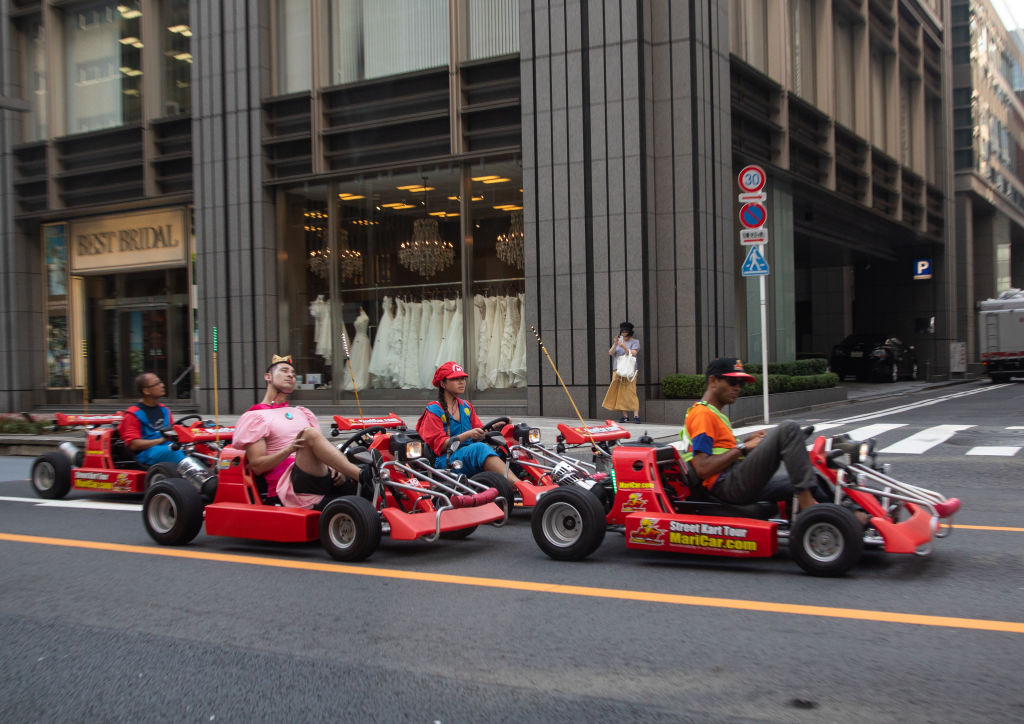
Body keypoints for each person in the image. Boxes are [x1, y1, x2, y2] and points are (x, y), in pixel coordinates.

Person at [681, 357, 818, 510]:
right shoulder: (703, 414)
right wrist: (743, 447)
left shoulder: (713, 413)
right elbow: (703, 468)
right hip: (726, 484)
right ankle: (810, 509)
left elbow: (720, 451)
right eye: (732, 382)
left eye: (741, 384)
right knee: (789, 429)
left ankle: (840, 511)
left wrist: (748, 442)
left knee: (811, 477)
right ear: (713, 381)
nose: (737, 388)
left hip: (732, 476)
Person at [231, 355, 368, 509]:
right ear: (268, 377)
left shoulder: (302, 412)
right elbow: (257, 466)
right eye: (284, 370)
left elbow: (322, 449)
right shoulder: (256, 417)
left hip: (321, 475)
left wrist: (337, 468)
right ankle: (364, 476)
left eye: (294, 374)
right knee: (309, 434)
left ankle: (373, 477)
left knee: (364, 448)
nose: (291, 375)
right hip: (289, 484)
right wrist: (289, 450)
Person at [416, 361, 524, 487]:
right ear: (442, 384)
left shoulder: (466, 406)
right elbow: (441, 446)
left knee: (511, 445)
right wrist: (467, 435)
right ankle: (520, 486)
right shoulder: (434, 410)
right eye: (455, 379)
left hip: (468, 455)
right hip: (446, 459)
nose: (462, 382)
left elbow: (480, 431)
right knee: (480, 449)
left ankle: (536, 479)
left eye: (463, 378)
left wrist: (496, 426)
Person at [118, 372, 186, 466]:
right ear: (146, 391)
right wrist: (160, 440)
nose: (162, 385)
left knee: (198, 447)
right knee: (172, 451)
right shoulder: (133, 414)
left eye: (160, 382)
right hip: (146, 453)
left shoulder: (165, 410)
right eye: (156, 384)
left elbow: (173, 431)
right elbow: (134, 445)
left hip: (167, 447)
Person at [601, 322, 641, 423]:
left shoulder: (635, 342)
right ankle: (625, 416)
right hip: (618, 370)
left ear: (629, 333)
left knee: (631, 392)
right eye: (622, 332)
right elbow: (611, 353)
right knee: (620, 393)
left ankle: (636, 416)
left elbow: (634, 353)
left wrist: (624, 347)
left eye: (625, 333)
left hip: (630, 371)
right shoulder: (619, 342)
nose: (624, 334)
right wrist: (615, 344)